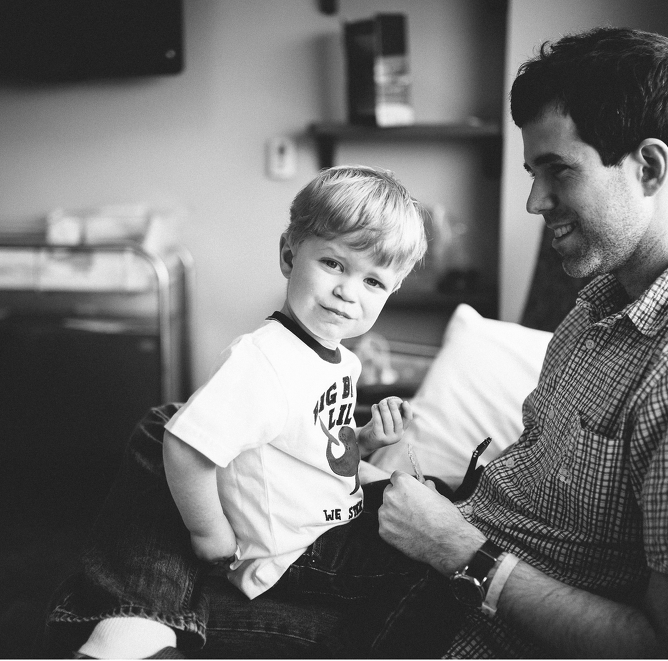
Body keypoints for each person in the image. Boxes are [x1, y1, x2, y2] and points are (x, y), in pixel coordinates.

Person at [47, 27, 668, 658]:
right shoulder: (604, 302)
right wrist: (408, 475)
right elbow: (535, 492)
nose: (534, 200)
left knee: (151, 505)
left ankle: (130, 627)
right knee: (173, 435)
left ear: (649, 164)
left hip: (446, 615)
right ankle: (136, 621)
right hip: (426, 546)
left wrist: (459, 549)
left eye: (557, 171)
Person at [49, 165, 436, 659]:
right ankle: (126, 631)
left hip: (330, 523)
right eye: (334, 264)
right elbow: (183, 443)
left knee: (428, 518)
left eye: (374, 282)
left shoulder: (342, 359)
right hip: (295, 554)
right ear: (288, 254)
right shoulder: (265, 359)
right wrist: (208, 531)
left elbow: (313, 446)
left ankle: (125, 627)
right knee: (431, 571)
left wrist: (362, 441)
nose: (348, 292)